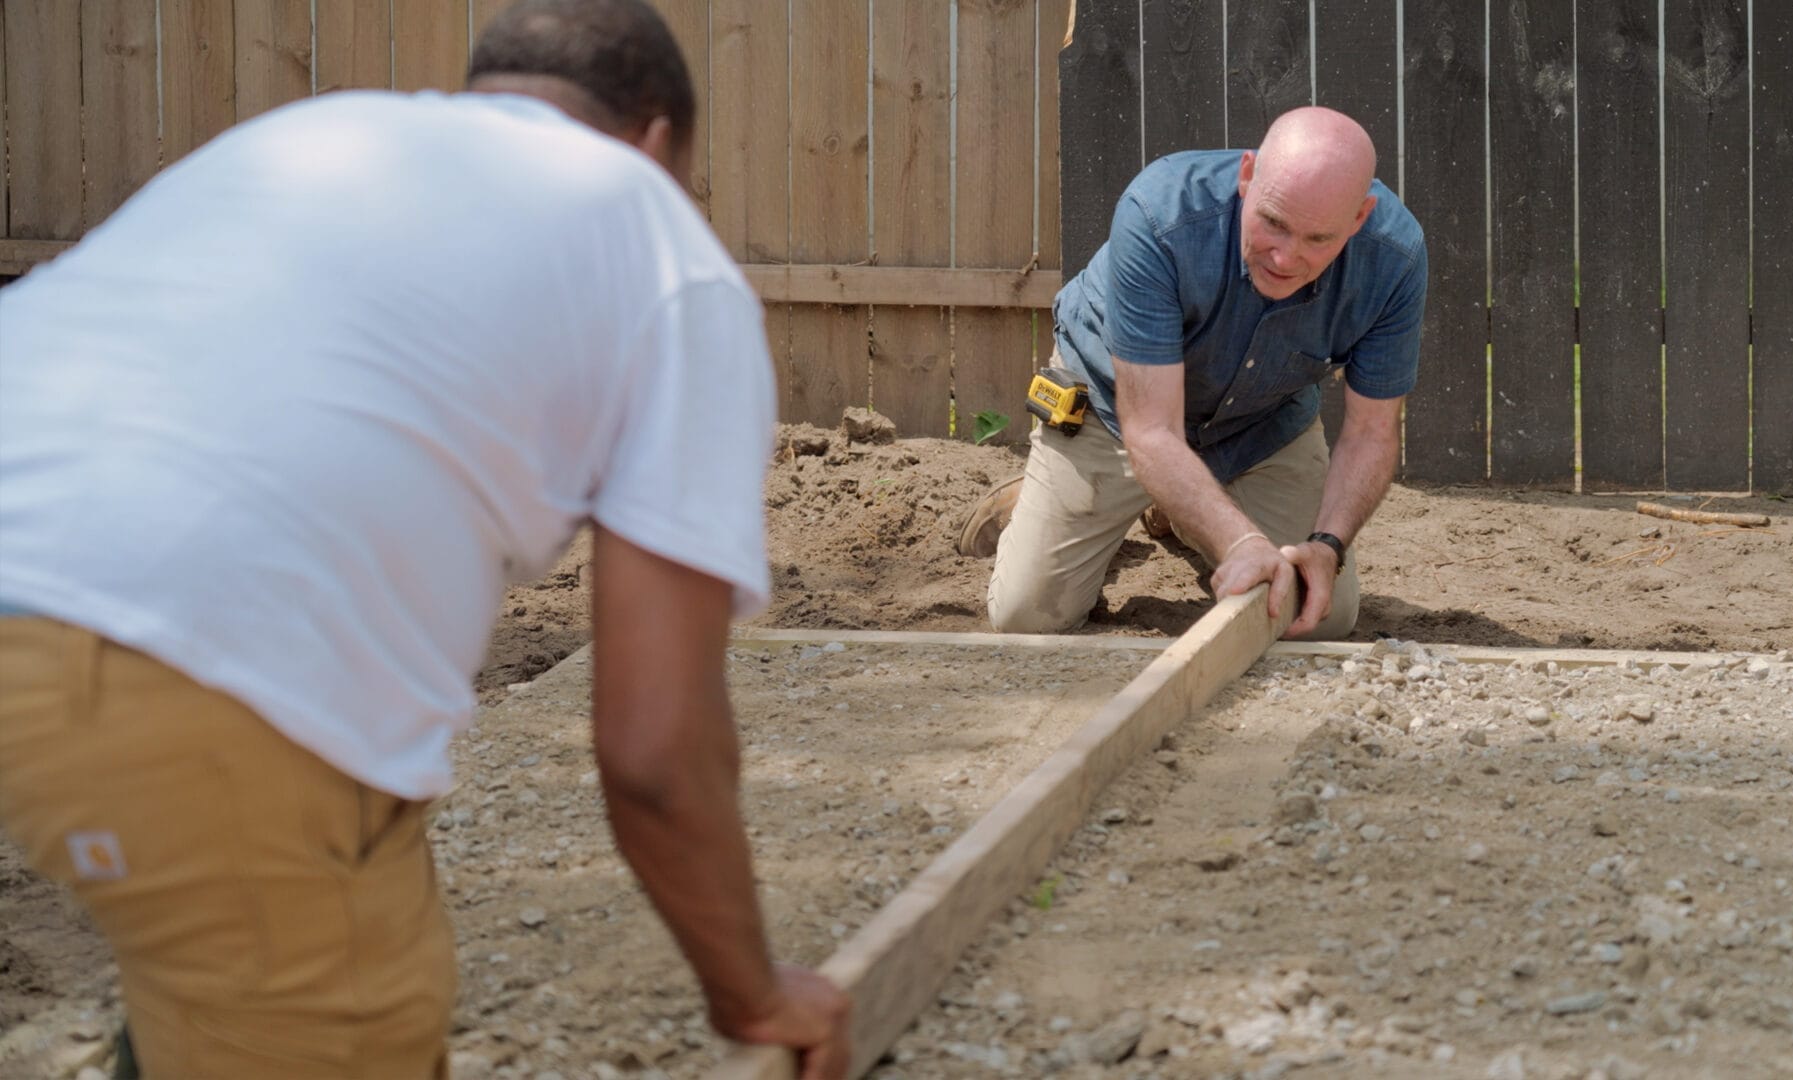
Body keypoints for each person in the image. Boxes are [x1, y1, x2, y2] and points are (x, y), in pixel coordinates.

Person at [0, 2, 849, 1077]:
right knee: (338, 1006)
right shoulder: (659, 242)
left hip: (56, 571)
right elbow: (655, 749)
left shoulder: (315, 136)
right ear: (656, 139)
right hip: (167, 648)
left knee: (268, 942)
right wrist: (755, 994)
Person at [963, 107, 1426, 641]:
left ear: (1360, 218)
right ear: (1247, 176)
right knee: (1026, 618)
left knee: (1319, 618)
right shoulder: (1161, 213)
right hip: (1118, 407)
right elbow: (1151, 429)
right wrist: (1240, 542)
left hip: (1260, 420)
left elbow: (1371, 432)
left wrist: (1328, 545)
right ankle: (1043, 500)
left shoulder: (1395, 257)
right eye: (1273, 223)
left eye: (1318, 239)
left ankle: (1178, 508)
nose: (1285, 257)